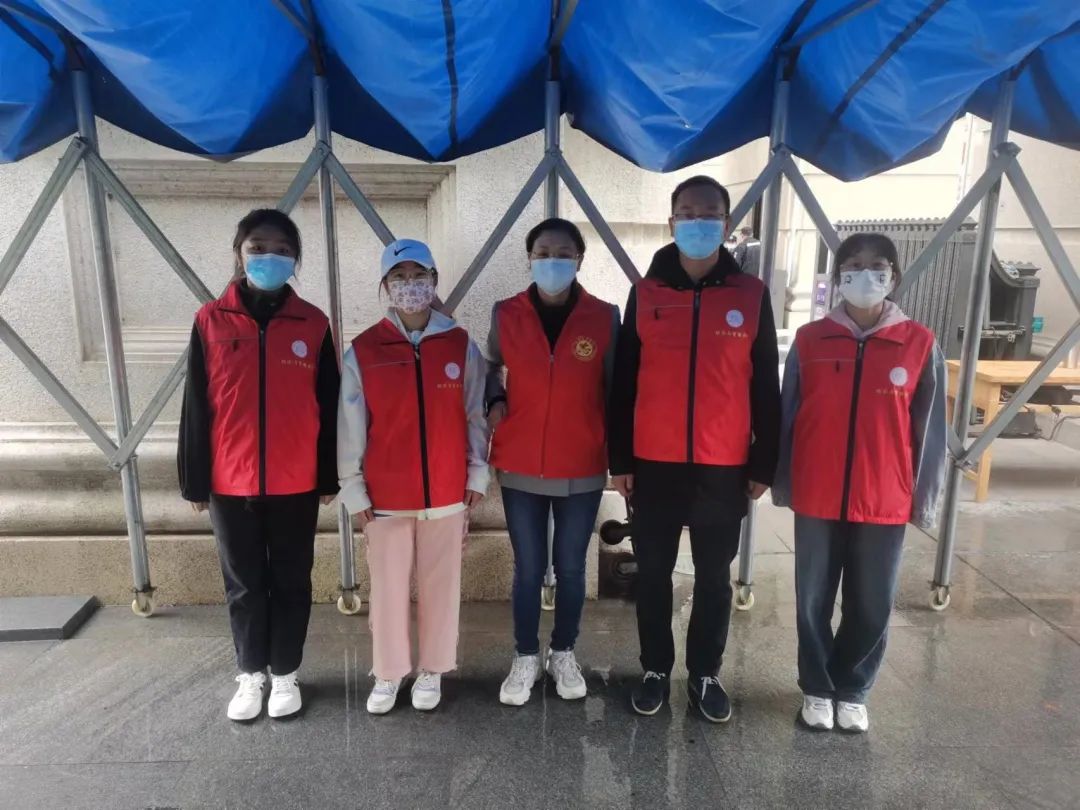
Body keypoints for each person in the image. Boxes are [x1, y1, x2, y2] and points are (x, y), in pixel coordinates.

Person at [608, 176, 781, 722]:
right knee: (653, 573)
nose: (698, 222)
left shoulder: (751, 294)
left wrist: (764, 460)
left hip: (723, 464)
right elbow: (623, 381)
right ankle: (655, 669)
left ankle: (705, 672)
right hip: (653, 463)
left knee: (712, 578)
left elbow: (765, 384)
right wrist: (621, 459)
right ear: (672, 222)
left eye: (709, 213)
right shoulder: (646, 292)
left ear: (726, 224)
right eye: (687, 212)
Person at [772, 233, 947, 733]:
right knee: (812, 598)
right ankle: (816, 686)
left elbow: (931, 431)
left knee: (872, 600)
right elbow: (787, 416)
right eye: (852, 264)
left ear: (894, 275)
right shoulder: (810, 340)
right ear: (837, 276)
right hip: (818, 492)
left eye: (877, 265)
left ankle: (852, 688)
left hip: (884, 494)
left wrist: (924, 499)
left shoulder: (919, 343)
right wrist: (783, 482)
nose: (864, 274)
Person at [178, 208, 339, 722]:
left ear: (295, 259)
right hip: (231, 480)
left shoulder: (313, 323)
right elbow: (196, 404)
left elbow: (329, 402)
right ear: (239, 253)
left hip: (297, 480)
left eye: (282, 249)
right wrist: (195, 479)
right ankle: (251, 673)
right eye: (258, 247)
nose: (270, 256)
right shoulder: (210, 320)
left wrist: (329, 474)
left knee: (292, 580)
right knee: (244, 584)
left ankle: (285, 672)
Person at [338, 238, 489, 715]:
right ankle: (388, 672)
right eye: (399, 277)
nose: (410, 285)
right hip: (385, 496)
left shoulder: (460, 344)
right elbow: (350, 425)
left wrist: (478, 473)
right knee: (387, 588)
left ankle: (433, 668)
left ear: (434, 280)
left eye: (419, 275)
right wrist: (352, 487)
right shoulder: (364, 350)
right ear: (386, 286)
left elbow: (475, 415)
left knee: (442, 585)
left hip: (446, 491)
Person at [485, 218, 620, 706]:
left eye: (563, 253)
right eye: (542, 253)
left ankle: (563, 652)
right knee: (528, 568)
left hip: (581, 462)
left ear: (579, 259)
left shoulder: (604, 317)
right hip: (520, 462)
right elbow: (491, 366)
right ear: (529, 258)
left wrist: (618, 455)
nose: (552, 261)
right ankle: (525, 655)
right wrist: (495, 399)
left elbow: (616, 389)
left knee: (571, 567)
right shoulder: (506, 313)